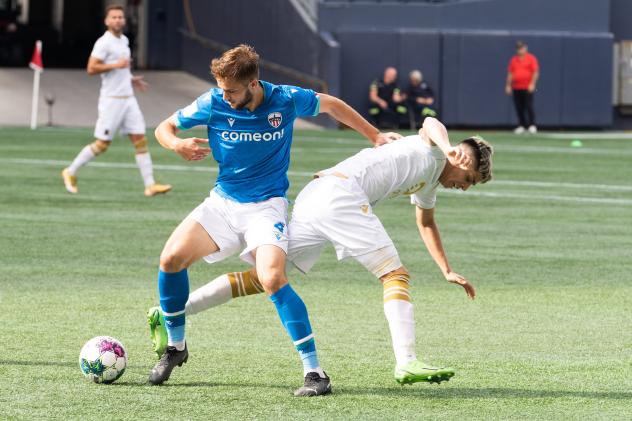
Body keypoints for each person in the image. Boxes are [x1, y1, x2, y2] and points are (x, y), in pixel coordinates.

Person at [147, 117, 493, 390]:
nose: (464, 186)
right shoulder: (433, 150)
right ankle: (406, 360)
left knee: (264, 279)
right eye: (469, 177)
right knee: (394, 275)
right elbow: (430, 122)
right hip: (341, 195)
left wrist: (446, 269)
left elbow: (427, 222)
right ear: (461, 158)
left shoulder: (431, 183)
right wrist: (447, 146)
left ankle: (172, 312)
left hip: (320, 195)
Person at [147, 44, 399, 396]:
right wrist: (175, 144)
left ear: (253, 83)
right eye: (221, 88)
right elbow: (165, 126)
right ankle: (175, 347)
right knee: (170, 260)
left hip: (267, 207)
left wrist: (374, 136)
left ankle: (315, 373)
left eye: (231, 90)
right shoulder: (213, 101)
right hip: (222, 203)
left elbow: (333, 106)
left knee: (272, 277)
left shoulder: (287, 99)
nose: (225, 96)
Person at [61, 5, 171, 197]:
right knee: (102, 144)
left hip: (128, 99)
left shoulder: (124, 40)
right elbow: (91, 68)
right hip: (111, 100)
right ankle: (70, 171)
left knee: (140, 140)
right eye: (114, 17)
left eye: (120, 17)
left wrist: (130, 78)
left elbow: (122, 69)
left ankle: (150, 185)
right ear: (107, 21)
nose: (118, 20)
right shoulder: (103, 43)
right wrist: (115, 65)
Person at [505, 40, 539, 134]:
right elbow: (510, 73)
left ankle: (532, 125)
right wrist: (508, 85)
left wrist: (532, 84)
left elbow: (535, 72)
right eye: (518, 48)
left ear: (525, 48)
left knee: (528, 106)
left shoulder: (531, 58)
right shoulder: (514, 59)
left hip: (527, 87)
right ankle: (522, 125)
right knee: (519, 107)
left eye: (521, 48)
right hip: (517, 87)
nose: (520, 50)